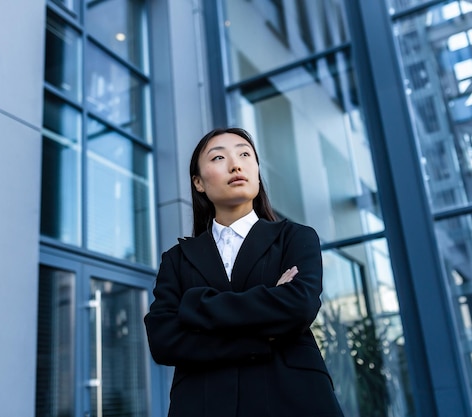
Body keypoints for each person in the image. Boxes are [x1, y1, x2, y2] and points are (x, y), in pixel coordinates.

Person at [144, 127, 344, 417]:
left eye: (244, 154)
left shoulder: (295, 237)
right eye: (218, 158)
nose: (235, 164)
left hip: (292, 398)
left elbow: (298, 306)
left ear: (257, 171)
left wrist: (196, 304)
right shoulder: (177, 259)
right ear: (198, 183)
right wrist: (265, 324)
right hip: (202, 404)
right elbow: (163, 340)